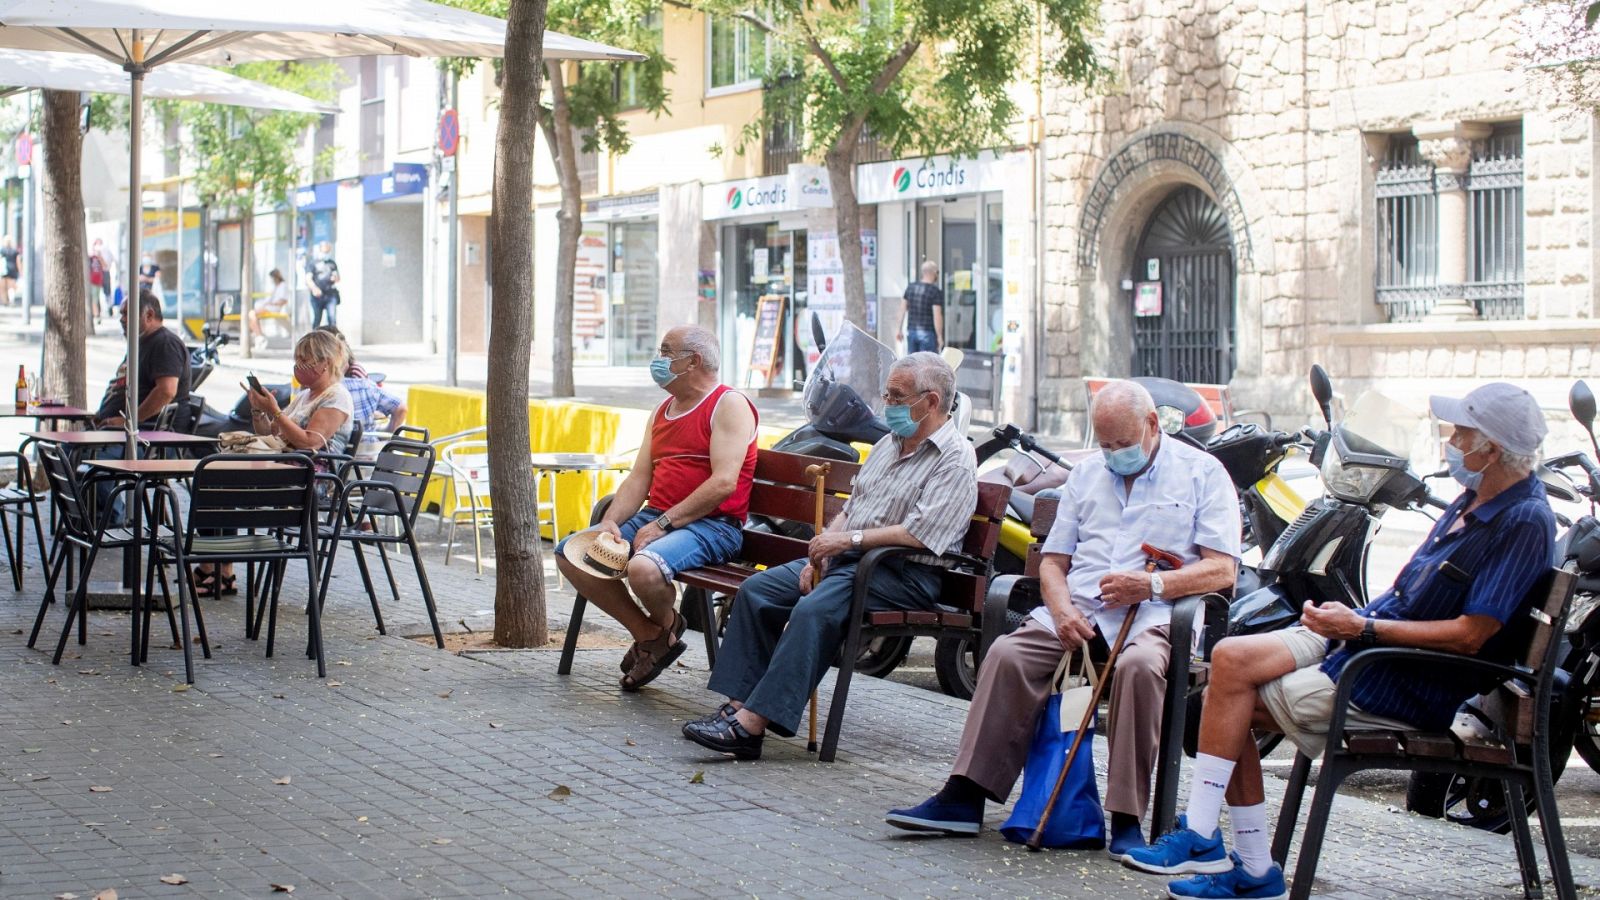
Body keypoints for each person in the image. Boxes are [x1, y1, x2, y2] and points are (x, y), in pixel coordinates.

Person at [1123, 382, 1555, 900]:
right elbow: (1406, 594)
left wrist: (1363, 629)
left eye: (1462, 434)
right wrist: (1348, 619)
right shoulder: (1473, 499)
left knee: (1224, 703)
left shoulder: (1523, 520)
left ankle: (1237, 858)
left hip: (1403, 677)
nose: (1453, 443)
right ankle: (1212, 843)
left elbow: (1472, 634)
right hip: (1366, 646)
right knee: (1229, 656)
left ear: (1492, 448)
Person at [884, 380, 1240, 855]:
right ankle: (964, 796)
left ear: (1153, 425)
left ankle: (1127, 816)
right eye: (1106, 443)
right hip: (1078, 612)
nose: (1114, 454)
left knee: (1137, 669)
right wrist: (1062, 608)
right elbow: (1054, 563)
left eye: (1123, 444)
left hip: (1154, 615)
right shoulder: (1089, 474)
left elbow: (1222, 569)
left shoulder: (1202, 473)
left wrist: (1152, 584)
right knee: (1009, 654)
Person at [681, 351, 978, 760]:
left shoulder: (955, 457)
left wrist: (846, 543)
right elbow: (853, 508)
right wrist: (819, 554)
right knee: (757, 590)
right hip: (856, 559)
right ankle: (738, 706)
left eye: (896, 396)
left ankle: (752, 725)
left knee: (813, 610)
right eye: (887, 394)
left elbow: (921, 534)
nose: (887, 404)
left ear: (929, 402)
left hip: (904, 573)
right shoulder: (890, 446)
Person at [555, 325, 759, 691]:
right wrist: (611, 521)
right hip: (659, 517)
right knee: (571, 553)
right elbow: (639, 478)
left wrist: (664, 524)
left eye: (666, 352)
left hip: (713, 525)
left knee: (644, 570)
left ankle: (658, 636)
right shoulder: (662, 411)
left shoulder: (728, 404)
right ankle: (653, 634)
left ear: (693, 361)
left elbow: (724, 482)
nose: (658, 359)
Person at [200, 331, 357, 597]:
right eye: (296, 361)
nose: (298, 368)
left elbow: (309, 443)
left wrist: (275, 411)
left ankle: (213, 568)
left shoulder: (336, 397)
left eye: (304, 361)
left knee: (223, 482)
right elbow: (270, 434)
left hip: (310, 478)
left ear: (325, 363)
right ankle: (220, 569)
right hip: (284, 467)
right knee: (213, 479)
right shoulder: (304, 396)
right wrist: (259, 409)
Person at [90, 291, 194, 517]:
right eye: (121, 314)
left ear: (148, 315)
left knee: (96, 464)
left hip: (146, 437)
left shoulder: (164, 343)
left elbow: (166, 391)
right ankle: (83, 523)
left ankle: (107, 526)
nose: (122, 319)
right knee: (67, 454)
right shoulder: (140, 343)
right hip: (121, 430)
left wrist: (128, 421)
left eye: (127, 314)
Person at [897, 260, 945, 354]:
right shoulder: (935, 291)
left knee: (913, 364)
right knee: (927, 364)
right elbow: (937, 316)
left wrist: (899, 330)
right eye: (937, 273)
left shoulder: (910, 288)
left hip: (911, 332)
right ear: (934, 273)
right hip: (928, 334)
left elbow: (902, 310)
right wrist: (939, 336)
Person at [248, 268, 292, 351]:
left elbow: (283, 301)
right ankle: (258, 336)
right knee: (251, 318)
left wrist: (270, 304)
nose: (272, 280)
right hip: (269, 306)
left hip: (273, 308)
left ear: (275, 277)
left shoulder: (283, 286)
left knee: (251, 314)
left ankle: (259, 337)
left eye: (272, 278)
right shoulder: (276, 287)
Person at [305, 241, 341, 329]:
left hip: (330, 295)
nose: (326, 253)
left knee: (332, 318)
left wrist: (335, 278)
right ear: (320, 249)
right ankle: (314, 340)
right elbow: (308, 279)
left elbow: (338, 277)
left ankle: (332, 340)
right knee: (317, 319)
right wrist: (314, 289)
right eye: (325, 250)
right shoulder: (313, 263)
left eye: (328, 250)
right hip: (317, 296)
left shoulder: (332, 263)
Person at [1, 235, 20, 308]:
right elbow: (18, 262)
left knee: (3, 287)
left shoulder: (2, 250)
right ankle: (11, 301)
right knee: (11, 287)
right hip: (12, 270)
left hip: (3, 271)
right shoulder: (14, 251)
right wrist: (20, 271)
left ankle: (5, 301)